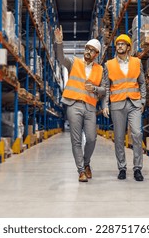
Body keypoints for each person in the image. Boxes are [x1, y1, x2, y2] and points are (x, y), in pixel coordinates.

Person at [54, 25, 105, 182]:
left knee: (91, 138)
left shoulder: (100, 70)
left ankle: (87, 162)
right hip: (73, 104)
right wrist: (60, 42)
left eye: (91, 50)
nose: (88, 51)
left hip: (90, 107)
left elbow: (104, 90)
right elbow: (60, 58)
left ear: (96, 54)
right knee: (76, 140)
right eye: (86, 48)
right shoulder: (74, 62)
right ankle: (81, 170)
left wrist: (95, 88)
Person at [102, 34, 146, 181]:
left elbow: (142, 82)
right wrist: (105, 104)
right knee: (119, 138)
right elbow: (106, 86)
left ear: (128, 47)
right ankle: (122, 167)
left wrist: (143, 100)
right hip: (117, 104)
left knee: (137, 134)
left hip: (134, 103)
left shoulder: (137, 62)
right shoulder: (109, 64)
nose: (120, 46)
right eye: (118, 44)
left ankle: (138, 168)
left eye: (123, 44)